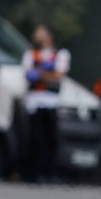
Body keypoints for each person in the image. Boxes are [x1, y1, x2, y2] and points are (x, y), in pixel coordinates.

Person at [20, 24, 70, 182]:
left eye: (39, 32)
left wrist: (39, 72)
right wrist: (47, 73)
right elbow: (28, 75)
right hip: (34, 101)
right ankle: (32, 173)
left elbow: (58, 76)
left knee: (51, 139)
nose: (36, 35)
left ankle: (50, 173)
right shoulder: (30, 54)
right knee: (34, 138)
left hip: (51, 101)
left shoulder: (60, 54)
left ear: (48, 35)